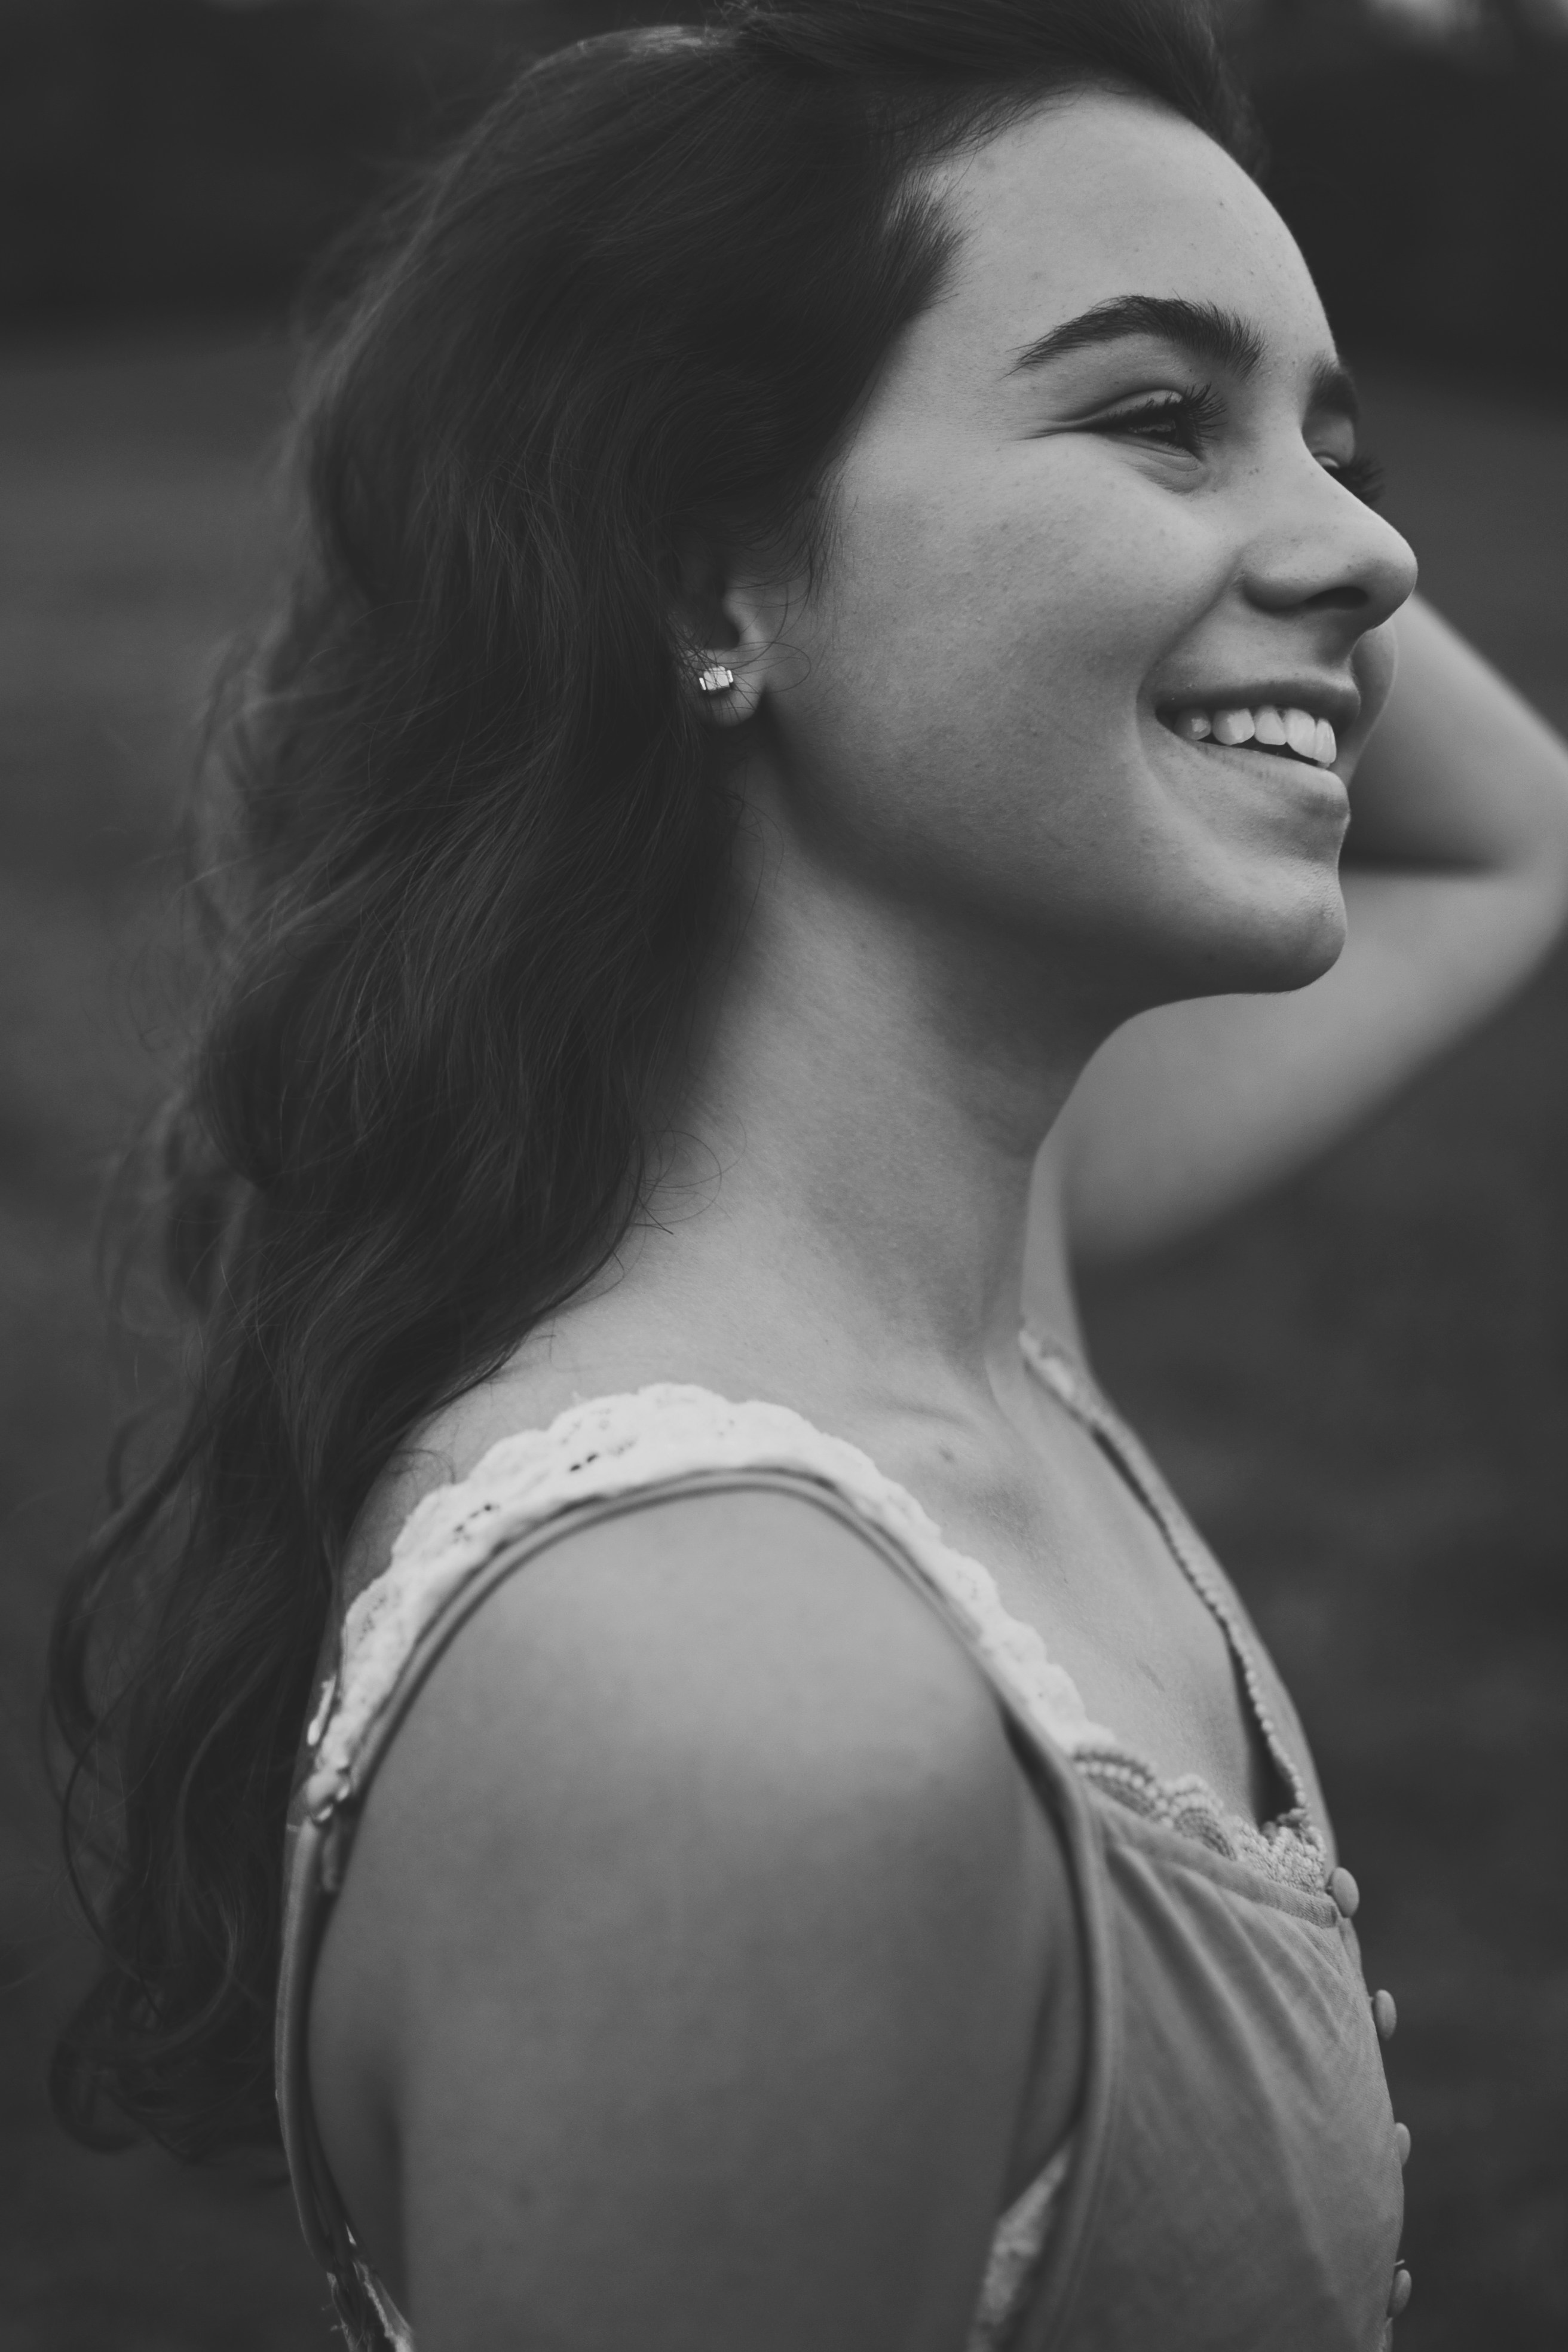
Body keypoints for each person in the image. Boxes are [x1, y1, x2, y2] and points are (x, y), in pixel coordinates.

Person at [51, 5, 1568, 2348]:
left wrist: (1064, 146)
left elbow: (1514, 834)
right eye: (1152, 410)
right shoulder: (742, 1717)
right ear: (709, 574)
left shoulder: (944, 1262)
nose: (1367, 549)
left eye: (1339, 440)